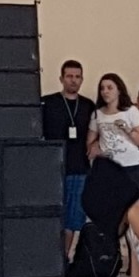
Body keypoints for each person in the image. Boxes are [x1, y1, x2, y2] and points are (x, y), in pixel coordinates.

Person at [42, 60, 96, 258]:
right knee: (51, 215)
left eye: (77, 77)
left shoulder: (89, 106)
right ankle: (49, 257)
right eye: (69, 76)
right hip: (51, 169)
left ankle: (64, 257)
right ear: (61, 78)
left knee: (74, 217)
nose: (73, 80)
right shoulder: (47, 103)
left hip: (79, 168)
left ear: (82, 79)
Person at [86, 73, 139, 189]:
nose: (105, 91)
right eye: (102, 88)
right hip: (107, 167)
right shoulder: (97, 113)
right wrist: (95, 146)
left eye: (109, 88)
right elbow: (90, 141)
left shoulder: (131, 111)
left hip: (130, 166)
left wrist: (127, 129)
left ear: (119, 90)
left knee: (130, 199)